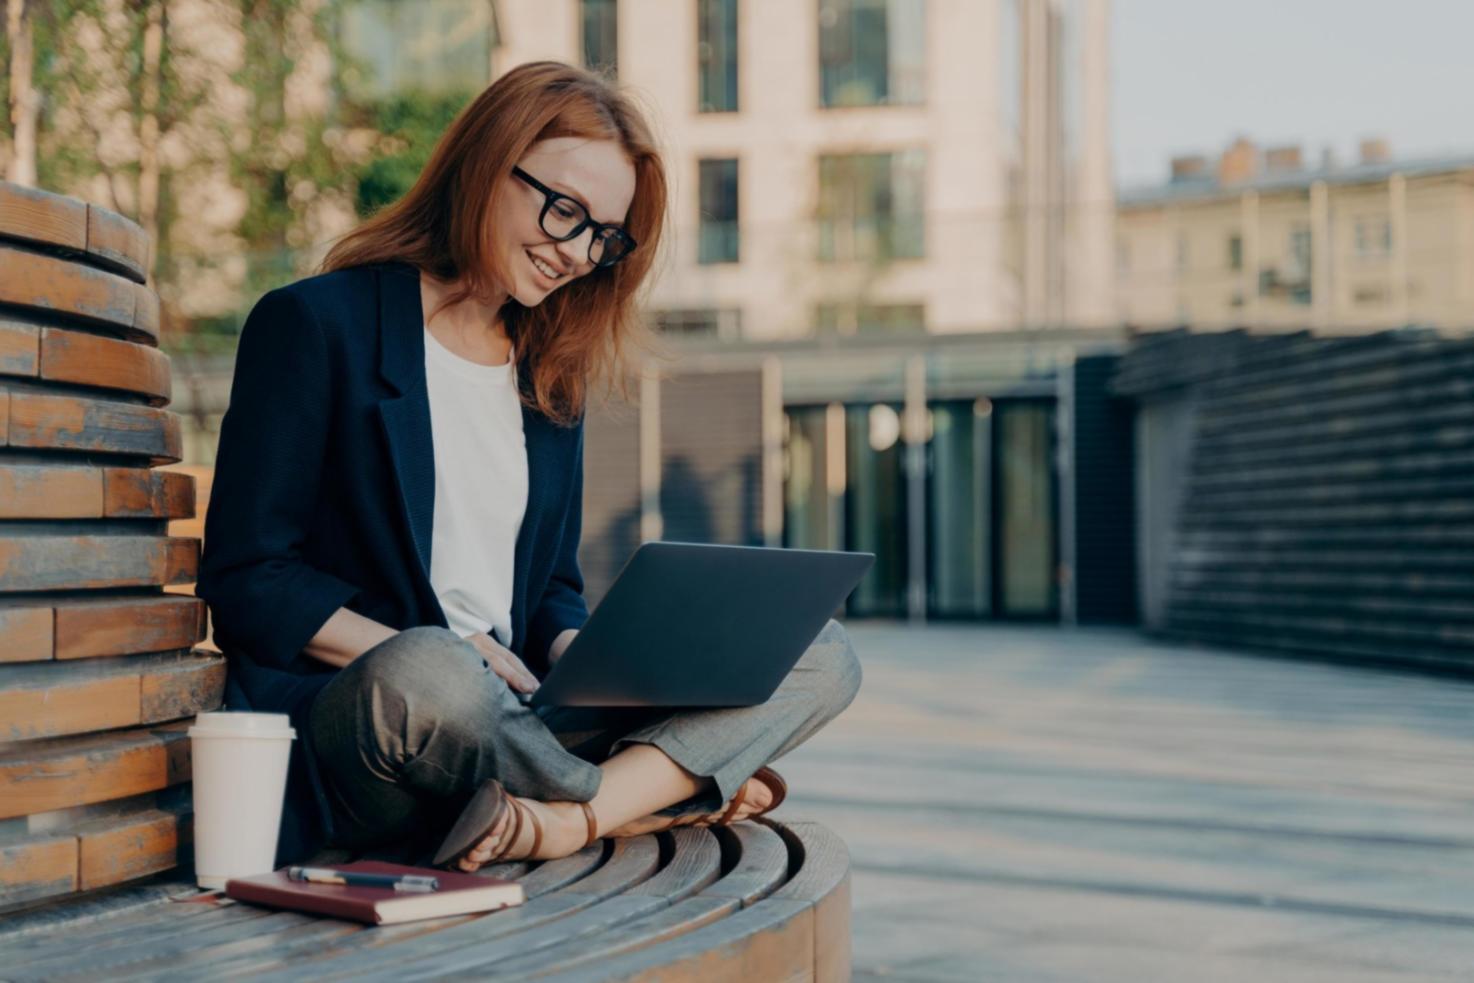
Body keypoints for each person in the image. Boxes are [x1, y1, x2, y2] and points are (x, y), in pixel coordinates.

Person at [195, 61, 862, 873]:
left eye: (602, 237)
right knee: (433, 668)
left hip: (520, 720)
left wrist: (592, 654)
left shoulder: (549, 375)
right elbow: (247, 578)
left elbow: (548, 589)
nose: (577, 252)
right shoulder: (313, 325)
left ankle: (565, 819)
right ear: (487, 163)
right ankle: (650, 796)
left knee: (821, 650)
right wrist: (439, 645)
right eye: (565, 210)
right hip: (380, 722)